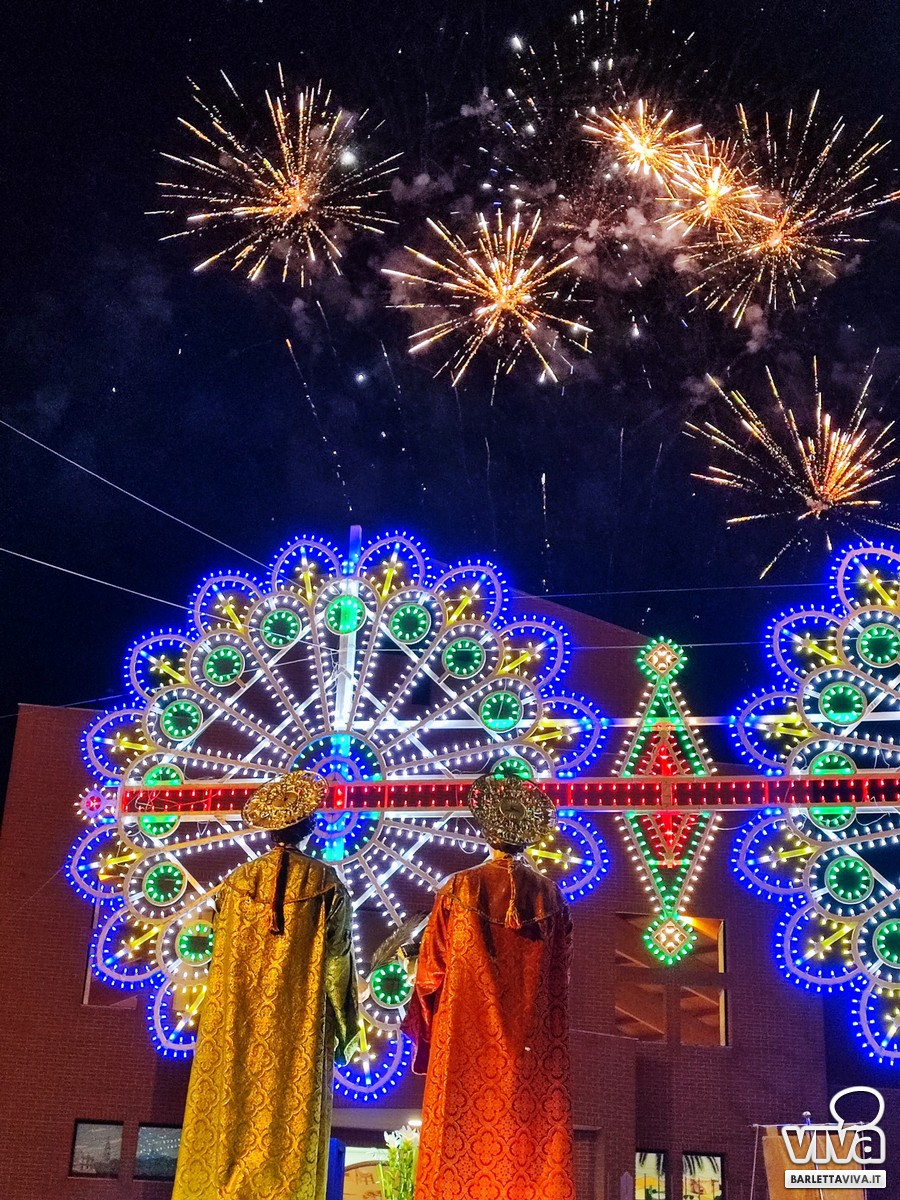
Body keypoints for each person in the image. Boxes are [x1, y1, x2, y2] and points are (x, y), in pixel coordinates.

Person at [172, 770, 359, 1200]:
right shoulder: (327, 885)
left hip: (238, 1023)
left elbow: (219, 959)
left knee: (232, 1115)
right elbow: (337, 964)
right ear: (309, 826)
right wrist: (346, 1029)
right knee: (290, 1123)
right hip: (298, 1028)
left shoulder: (234, 885)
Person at [402, 775, 576, 1200]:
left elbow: (430, 974)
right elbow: (561, 976)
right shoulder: (552, 898)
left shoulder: (459, 888)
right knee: (529, 1144)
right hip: (533, 1050)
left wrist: (424, 1027)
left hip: (464, 1043)